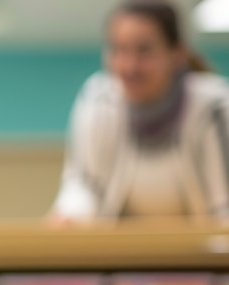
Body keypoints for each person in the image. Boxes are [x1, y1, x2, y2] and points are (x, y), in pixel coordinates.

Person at [52, 0, 229, 223]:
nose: (130, 66)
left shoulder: (214, 107)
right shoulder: (98, 101)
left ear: (177, 54)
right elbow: (84, 186)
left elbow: (224, 207)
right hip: (122, 252)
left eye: (144, 51)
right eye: (119, 50)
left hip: (200, 253)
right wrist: (69, 216)